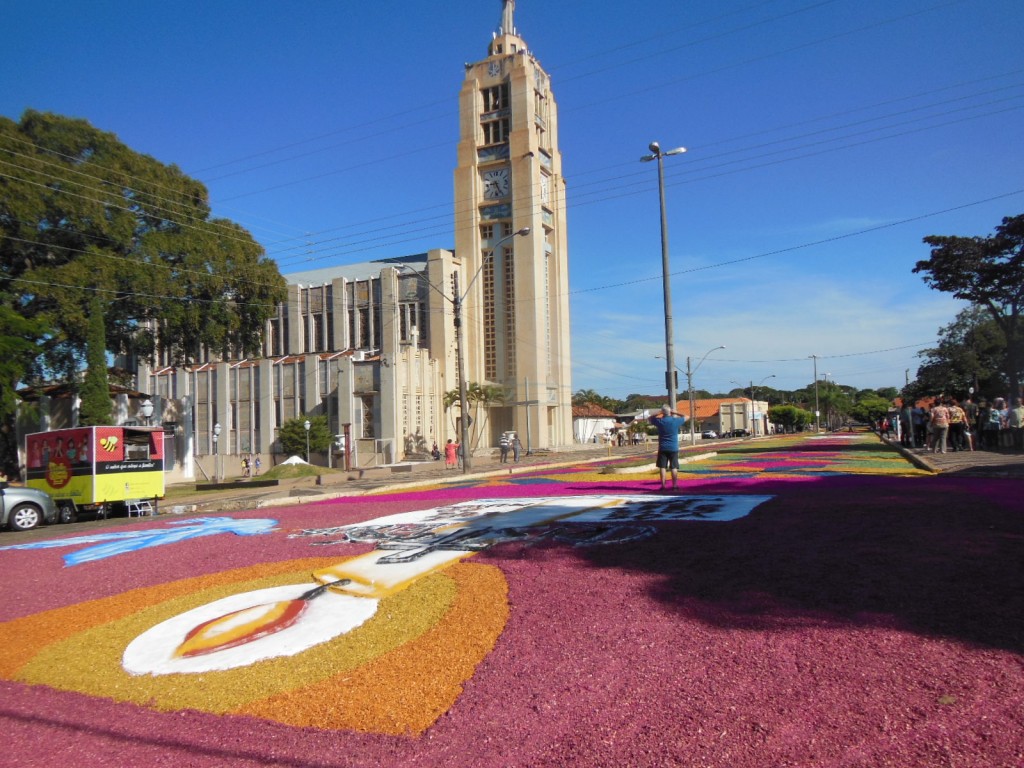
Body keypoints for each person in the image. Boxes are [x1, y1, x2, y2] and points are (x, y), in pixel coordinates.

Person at [649, 404, 687, 491]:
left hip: (663, 447)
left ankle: (663, 486)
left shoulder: (660, 421)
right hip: (673, 447)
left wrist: (658, 413)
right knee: (674, 467)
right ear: (670, 412)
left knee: (662, 467)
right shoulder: (675, 420)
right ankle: (675, 485)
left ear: (663, 412)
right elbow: (687, 416)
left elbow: (650, 418)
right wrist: (676, 412)